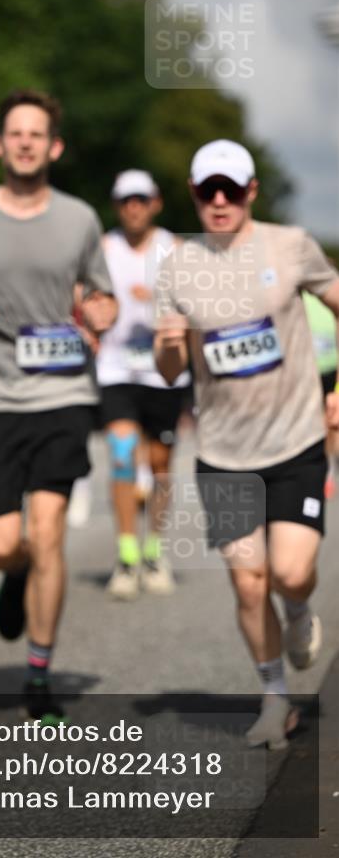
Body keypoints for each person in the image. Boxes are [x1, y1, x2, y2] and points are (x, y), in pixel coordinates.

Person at [0, 89, 117, 723]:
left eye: (36, 134)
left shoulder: (80, 219)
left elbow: (103, 298)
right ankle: (14, 575)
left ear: (54, 146)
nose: (24, 142)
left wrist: (101, 311)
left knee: (47, 534)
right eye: (14, 133)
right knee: (2, 543)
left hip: (63, 392)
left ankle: (38, 673)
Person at [154, 138, 339, 750]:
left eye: (231, 189)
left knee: (289, 572)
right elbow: (167, 369)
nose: (220, 200)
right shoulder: (178, 264)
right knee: (247, 580)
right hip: (224, 455)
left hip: (294, 442)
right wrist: (173, 342)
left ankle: (299, 610)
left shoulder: (290, 247)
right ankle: (275, 700)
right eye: (208, 189)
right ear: (194, 193)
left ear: (251, 191)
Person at [97, 169, 191, 600]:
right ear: (117, 205)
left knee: (159, 466)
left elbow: (195, 305)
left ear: (155, 202)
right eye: (124, 200)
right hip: (117, 369)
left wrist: (156, 303)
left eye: (140, 199)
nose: (132, 207)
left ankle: (154, 550)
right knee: (120, 454)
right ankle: (126, 554)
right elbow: (83, 297)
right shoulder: (102, 248)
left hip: (164, 373)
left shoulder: (174, 249)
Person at [303, 290, 338, 498]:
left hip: (330, 369)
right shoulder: (298, 291)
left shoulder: (329, 294)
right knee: (311, 422)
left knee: (329, 424)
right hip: (306, 372)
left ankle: (328, 468)